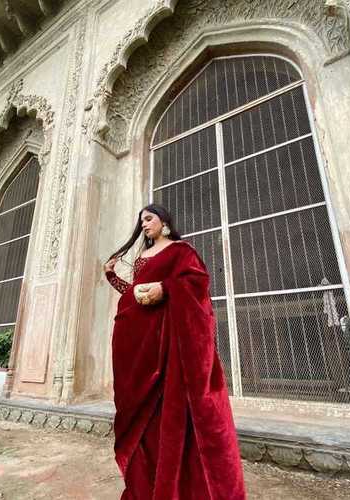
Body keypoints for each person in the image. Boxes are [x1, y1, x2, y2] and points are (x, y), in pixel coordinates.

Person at [104, 204, 246, 500]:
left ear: (164, 222)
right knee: (140, 420)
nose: (143, 224)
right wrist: (112, 277)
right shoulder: (142, 257)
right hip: (137, 348)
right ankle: (148, 483)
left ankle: (180, 484)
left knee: (167, 414)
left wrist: (167, 289)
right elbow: (137, 293)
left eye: (149, 218)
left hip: (168, 349)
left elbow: (197, 284)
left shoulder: (181, 251)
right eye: (140, 220)